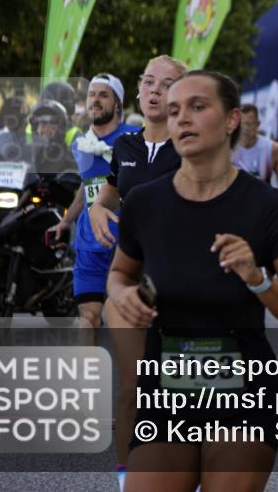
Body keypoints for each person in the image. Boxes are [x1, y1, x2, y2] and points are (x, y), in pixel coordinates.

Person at [107, 70, 278, 490]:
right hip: (165, 389)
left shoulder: (268, 208)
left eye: (197, 107)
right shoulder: (144, 202)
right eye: (173, 111)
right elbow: (119, 272)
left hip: (243, 390)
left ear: (231, 120)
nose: (182, 119)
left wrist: (258, 280)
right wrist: (122, 294)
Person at [86, 56, 186, 490]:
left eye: (166, 84)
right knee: (133, 387)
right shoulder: (125, 146)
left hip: (184, 286)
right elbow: (110, 192)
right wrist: (95, 208)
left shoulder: (189, 145)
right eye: (148, 82)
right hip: (129, 285)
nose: (154, 90)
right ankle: (126, 478)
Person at [50, 74, 138, 333]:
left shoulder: (136, 138)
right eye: (91, 94)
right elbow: (86, 186)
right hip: (91, 242)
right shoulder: (80, 144)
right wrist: (66, 221)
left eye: (103, 95)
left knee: (130, 324)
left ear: (118, 105)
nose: (95, 100)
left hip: (130, 242)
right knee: (88, 319)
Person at [233, 104, 278, 193]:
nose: (245, 129)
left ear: (257, 125)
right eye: (241, 125)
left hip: (263, 204)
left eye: (249, 124)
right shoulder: (228, 148)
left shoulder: (273, 148)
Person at [29, 99, 78, 176]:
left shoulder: (71, 157)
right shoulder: (26, 154)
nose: (45, 129)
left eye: (52, 123)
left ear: (61, 127)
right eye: (41, 123)